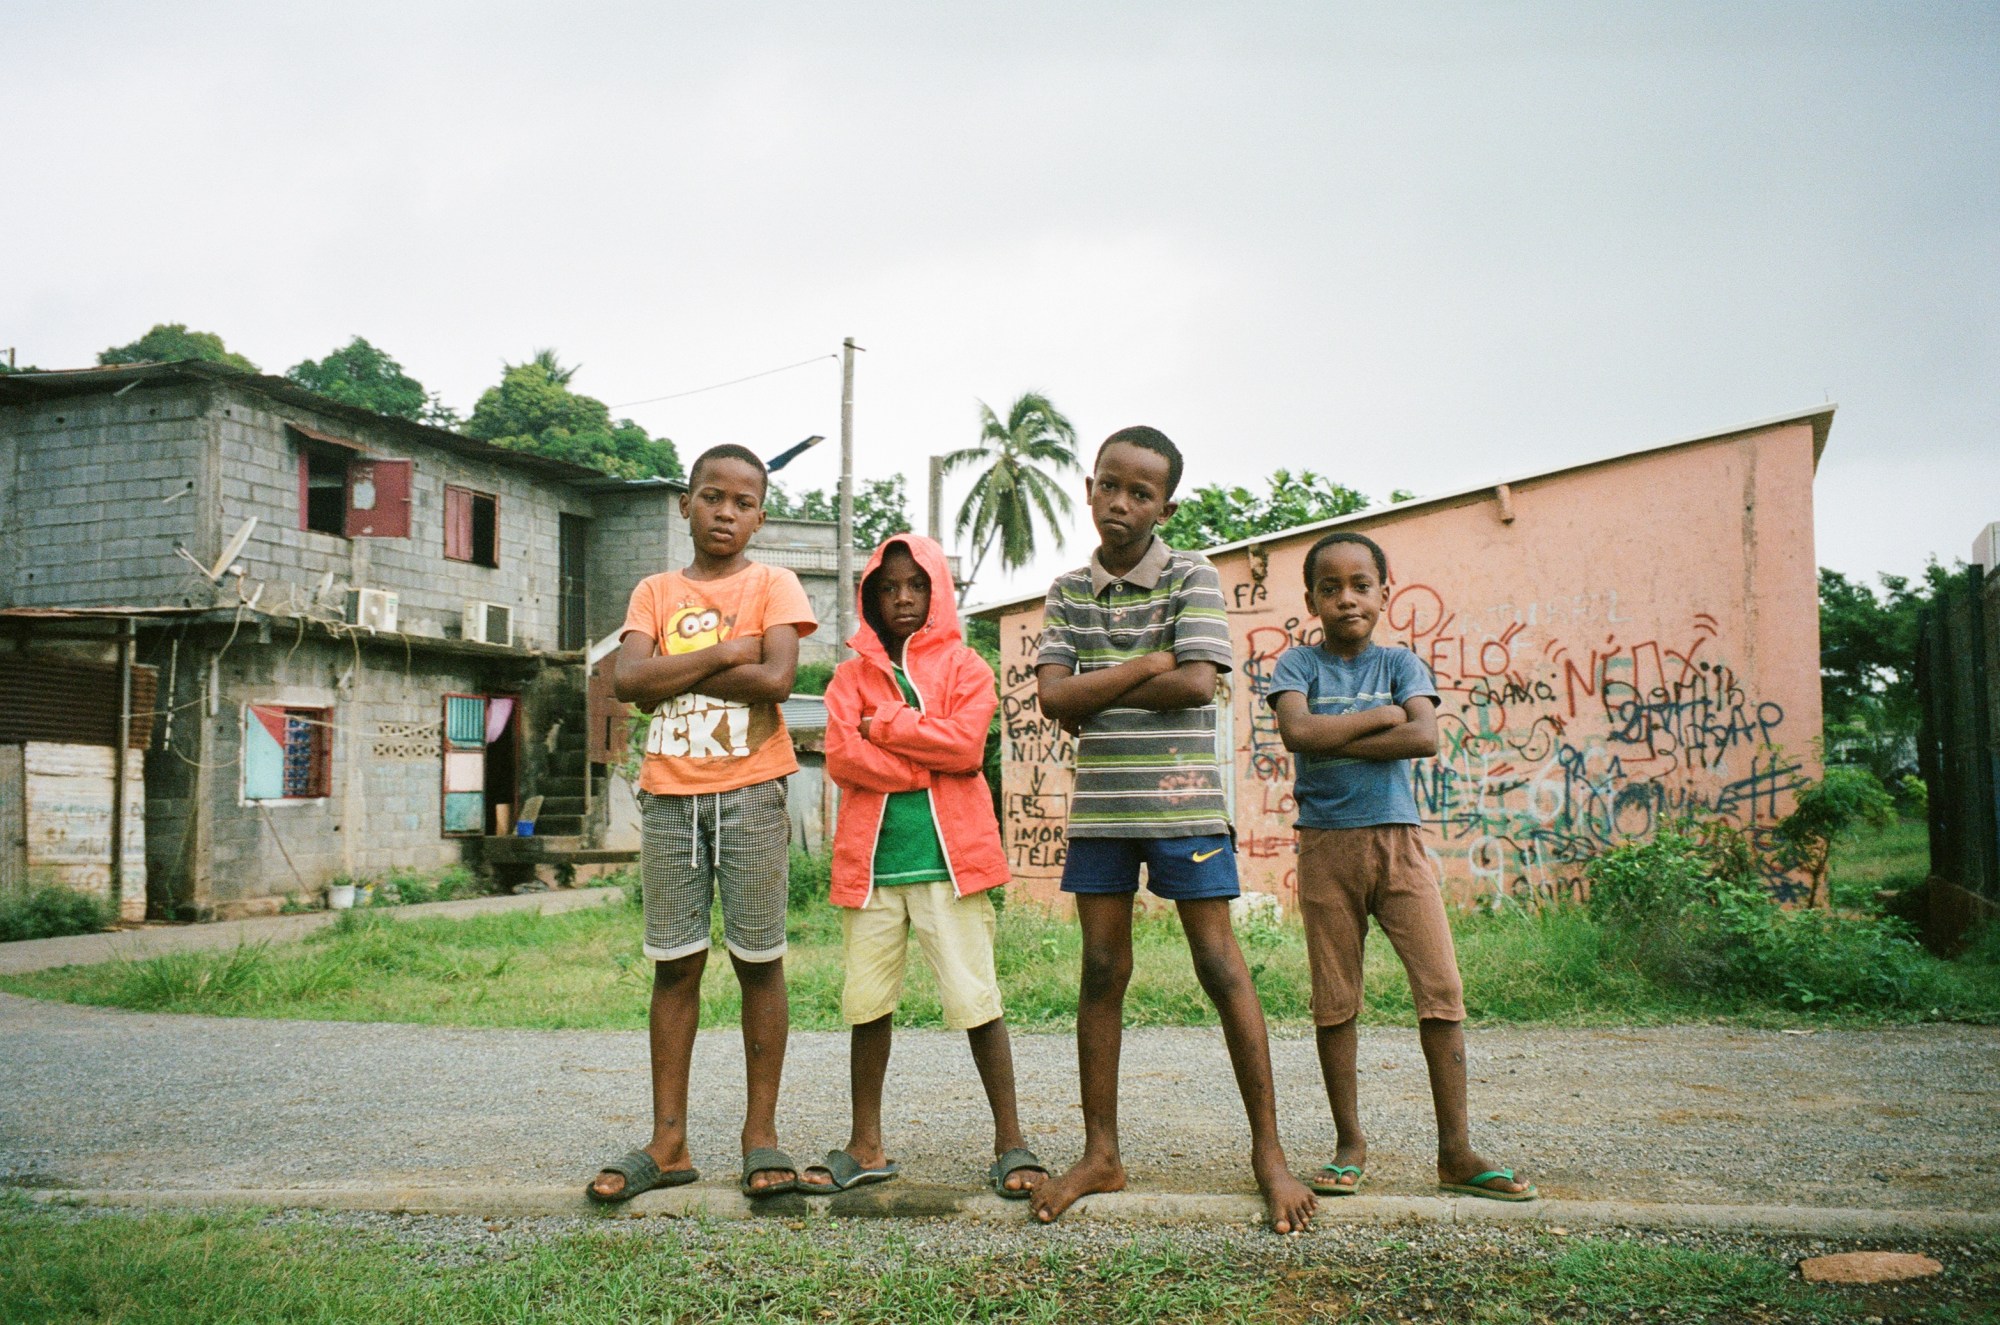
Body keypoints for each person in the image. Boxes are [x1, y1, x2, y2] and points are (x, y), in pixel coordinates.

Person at [1030, 425, 1317, 1234]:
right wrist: (1147, 665)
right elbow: (1054, 700)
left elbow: (1197, 681)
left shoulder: (1192, 573)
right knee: (1099, 970)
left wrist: (1110, 681)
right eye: (1109, 486)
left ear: (1166, 504)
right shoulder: (1066, 590)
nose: (1121, 504)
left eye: (1141, 493)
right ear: (1089, 487)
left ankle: (1269, 1154)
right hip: (1103, 813)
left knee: (1221, 967)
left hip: (1185, 804)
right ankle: (1101, 1153)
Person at [1266, 529, 1537, 1202]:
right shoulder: (1297, 665)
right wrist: (1381, 720)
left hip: (1400, 844)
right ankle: (1349, 1144)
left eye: (1361, 585)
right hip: (1325, 847)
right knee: (1335, 1002)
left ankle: (1456, 1150)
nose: (1347, 598)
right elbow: (1300, 733)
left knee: (1441, 988)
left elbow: (1423, 735)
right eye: (1330, 588)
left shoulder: (1402, 663)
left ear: (1384, 593)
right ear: (1311, 599)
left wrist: (1352, 730)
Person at [588, 442, 818, 1203]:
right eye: (711, 496)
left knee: (759, 959)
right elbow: (628, 679)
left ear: (760, 515)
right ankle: (670, 1138)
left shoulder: (774, 583)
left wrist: (676, 672)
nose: (725, 511)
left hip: (752, 789)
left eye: (742, 501)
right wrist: (727, 649)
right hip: (670, 797)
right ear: (685, 503)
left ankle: (760, 1136)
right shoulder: (653, 590)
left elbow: (777, 677)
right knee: (676, 963)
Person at [803, 534, 1046, 1198]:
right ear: (869, 597)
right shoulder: (849, 677)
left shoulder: (968, 667)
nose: (902, 597)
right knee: (866, 1004)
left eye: (916, 585)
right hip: (873, 868)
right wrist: (919, 752)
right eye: (888, 587)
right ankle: (866, 1143)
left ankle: (1011, 1141)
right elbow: (841, 757)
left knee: (977, 999)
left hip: (950, 865)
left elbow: (966, 748)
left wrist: (884, 726)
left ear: (936, 591)